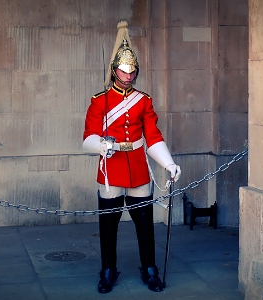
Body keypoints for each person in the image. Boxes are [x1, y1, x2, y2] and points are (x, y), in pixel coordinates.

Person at [82, 21, 181, 294]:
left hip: (137, 167)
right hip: (111, 168)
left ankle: (150, 269)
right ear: (115, 70)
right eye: (124, 71)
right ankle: (107, 270)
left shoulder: (143, 100)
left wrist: (168, 163)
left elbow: (153, 136)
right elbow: (87, 137)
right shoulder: (99, 101)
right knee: (108, 226)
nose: (128, 76)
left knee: (144, 224)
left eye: (132, 71)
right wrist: (101, 145)